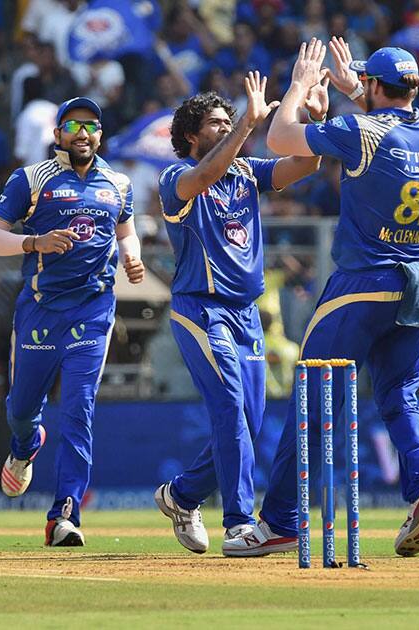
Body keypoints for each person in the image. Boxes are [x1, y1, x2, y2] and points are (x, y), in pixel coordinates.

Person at [254, 39, 419, 558]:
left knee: (316, 399)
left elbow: (279, 139)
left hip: (363, 284)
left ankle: (279, 520)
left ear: (372, 87)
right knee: (399, 395)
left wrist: (301, 84)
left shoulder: (359, 129)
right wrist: (355, 90)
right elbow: (395, 124)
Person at [153, 71, 326, 557]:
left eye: (229, 120)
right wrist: (247, 124)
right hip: (200, 309)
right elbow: (204, 174)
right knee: (230, 407)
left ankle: (182, 496)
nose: (227, 126)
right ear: (191, 135)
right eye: (216, 122)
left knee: (248, 423)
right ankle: (239, 522)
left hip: (245, 313)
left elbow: (305, 165)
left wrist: (315, 119)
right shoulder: (175, 179)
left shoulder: (246, 174)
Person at [0, 97, 144, 546]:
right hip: (40, 310)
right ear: (58, 135)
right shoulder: (31, 179)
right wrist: (36, 242)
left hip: (93, 311)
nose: (83, 133)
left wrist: (132, 258)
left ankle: (64, 516)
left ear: (101, 135)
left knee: (79, 411)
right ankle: (25, 445)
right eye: (73, 125)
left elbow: (125, 230)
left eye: (91, 126)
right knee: (20, 409)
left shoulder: (119, 183)